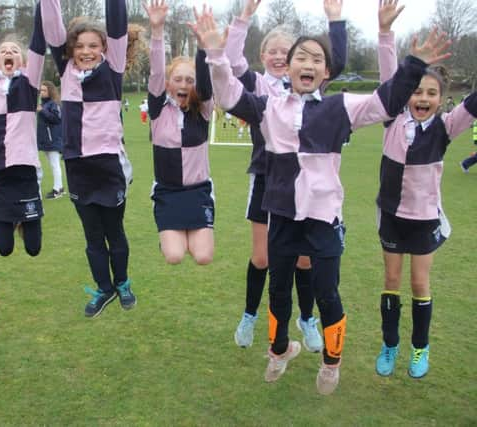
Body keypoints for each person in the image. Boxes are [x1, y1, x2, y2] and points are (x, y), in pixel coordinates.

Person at [195, 8, 450, 394]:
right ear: (290, 68)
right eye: (301, 57)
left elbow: (388, 100)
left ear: (327, 72)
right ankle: (280, 350)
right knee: (278, 292)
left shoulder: (341, 106)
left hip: (323, 220)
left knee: (327, 293)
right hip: (281, 217)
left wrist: (414, 64)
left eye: (317, 58)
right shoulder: (268, 107)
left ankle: (331, 363)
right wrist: (215, 53)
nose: (307, 63)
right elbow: (228, 93)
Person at [226, 0, 347, 353]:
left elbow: (334, 60)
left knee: (305, 259)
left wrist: (334, 20)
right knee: (263, 257)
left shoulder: (312, 87)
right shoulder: (257, 85)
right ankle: (250, 315)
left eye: (286, 51)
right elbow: (232, 65)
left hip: (308, 185)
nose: (279, 56)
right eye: (272, 51)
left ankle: (306, 318)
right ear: (262, 55)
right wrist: (243, 19)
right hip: (268, 179)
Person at [374, 0, 474, 379]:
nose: (422, 98)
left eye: (431, 93)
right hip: (392, 217)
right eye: (416, 92)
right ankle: (389, 344)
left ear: (440, 98)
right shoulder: (391, 120)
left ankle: (420, 348)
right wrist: (385, 33)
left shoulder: (447, 127)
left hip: (424, 219)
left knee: (419, 283)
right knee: (391, 282)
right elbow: (390, 80)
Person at [42, 0, 139, 317]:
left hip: (109, 165)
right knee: (92, 236)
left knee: (115, 231)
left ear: (105, 49)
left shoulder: (113, 70)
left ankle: (122, 282)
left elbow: (117, 23)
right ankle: (105, 287)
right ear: (70, 50)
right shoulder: (66, 70)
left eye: (93, 45)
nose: (86, 51)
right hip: (78, 166)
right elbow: (53, 26)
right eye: (79, 46)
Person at [143, 1, 215, 265]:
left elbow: (206, 84)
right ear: (168, 83)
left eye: (189, 80)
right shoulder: (157, 111)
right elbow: (155, 71)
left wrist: (202, 46)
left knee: (203, 257)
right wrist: (157, 30)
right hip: (168, 191)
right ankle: (168, 236)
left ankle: (179, 232)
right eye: (178, 79)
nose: (184, 84)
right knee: (174, 256)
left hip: (198, 192)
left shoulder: (204, 110)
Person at [0, 0, 45, 257]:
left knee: (34, 248)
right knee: (4, 249)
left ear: (23, 61)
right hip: (0, 172)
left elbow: (38, 45)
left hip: (26, 172)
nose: (8, 53)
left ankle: (25, 220)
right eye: (3, 51)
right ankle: (10, 219)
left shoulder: (29, 85)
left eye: (14, 50)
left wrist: (44, 5)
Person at [37, 80, 64, 199]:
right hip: (45, 139)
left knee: (55, 164)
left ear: (50, 91)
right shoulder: (43, 104)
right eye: (41, 90)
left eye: (44, 90)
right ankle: (60, 187)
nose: (41, 93)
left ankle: (57, 189)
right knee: (52, 164)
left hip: (53, 139)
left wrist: (42, 111)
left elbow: (56, 118)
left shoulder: (54, 104)